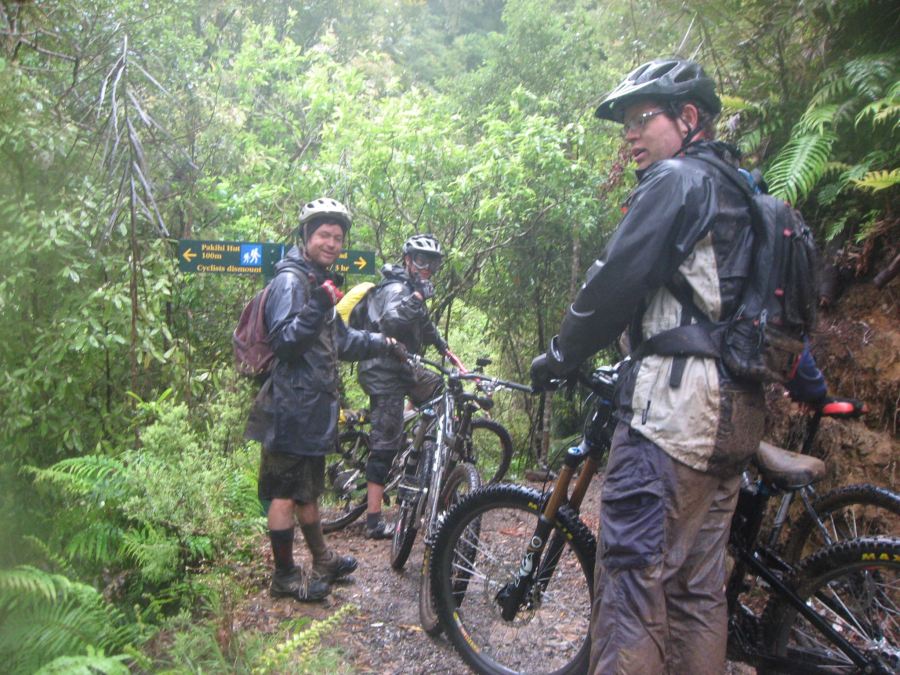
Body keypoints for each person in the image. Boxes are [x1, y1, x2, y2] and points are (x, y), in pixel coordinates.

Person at [530, 58, 766, 674]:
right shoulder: (743, 187)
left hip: (674, 415)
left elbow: (615, 281)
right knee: (695, 591)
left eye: (642, 119)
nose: (630, 135)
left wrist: (560, 354)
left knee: (632, 586)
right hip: (734, 420)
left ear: (688, 118)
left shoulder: (677, 181)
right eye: (625, 125)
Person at [245, 197, 402, 602]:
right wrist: (318, 304)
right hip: (290, 406)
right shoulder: (292, 283)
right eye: (323, 235)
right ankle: (284, 575)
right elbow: (286, 341)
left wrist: (383, 342)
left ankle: (323, 559)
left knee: (308, 492)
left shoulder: (317, 281)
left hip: (312, 408)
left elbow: (343, 341)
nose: (331, 243)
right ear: (305, 237)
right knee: (284, 492)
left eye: (337, 237)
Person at [355, 233, 465, 539]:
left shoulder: (413, 290)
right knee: (386, 444)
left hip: (402, 369)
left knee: (441, 389)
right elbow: (390, 321)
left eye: (433, 263)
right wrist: (417, 297)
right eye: (420, 260)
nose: (427, 267)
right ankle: (374, 521)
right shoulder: (396, 289)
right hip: (382, 371)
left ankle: (412, 436)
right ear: (407, 260)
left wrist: (446, 351)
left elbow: (424, 326)